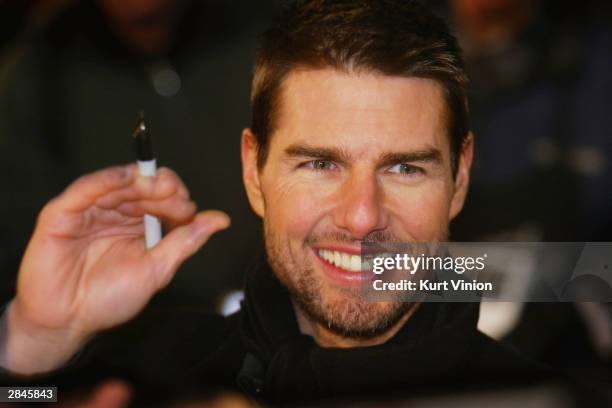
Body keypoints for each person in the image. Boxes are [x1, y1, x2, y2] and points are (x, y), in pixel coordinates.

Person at [0, 0, 553, 405]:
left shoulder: (539, 394)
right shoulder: (162, 379)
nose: (362, 217)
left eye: (404, 168)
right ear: (253, 171)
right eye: (319, 164)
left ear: (459, 180)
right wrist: (32, 346)